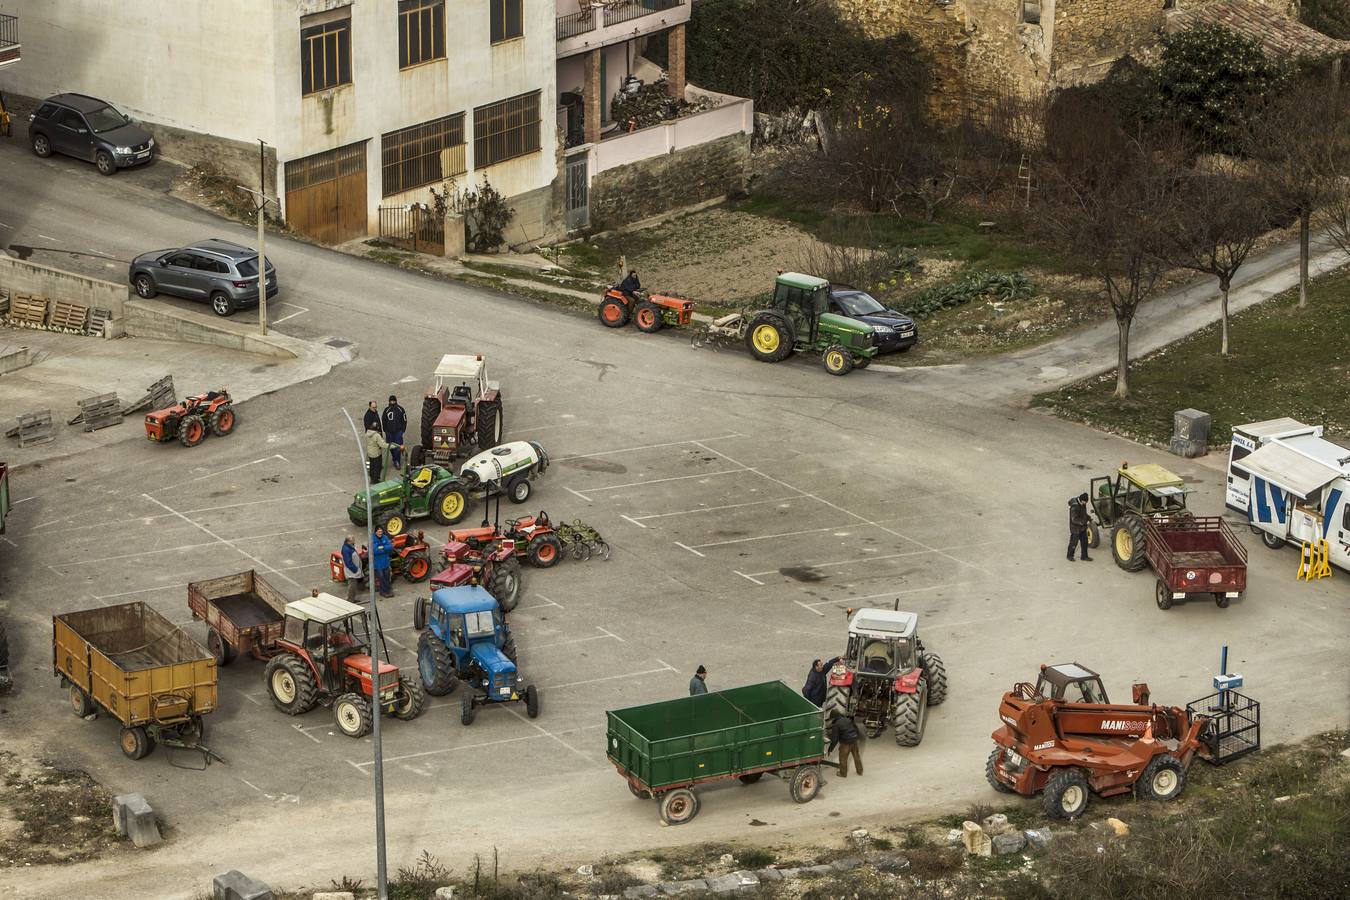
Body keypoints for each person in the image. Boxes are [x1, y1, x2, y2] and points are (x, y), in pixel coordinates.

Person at [827, 713, 863, 778]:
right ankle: (860, 771)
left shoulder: (836, 724)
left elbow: (834, 739)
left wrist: (830, 749)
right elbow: (856, 729)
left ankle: (843, 774)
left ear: (833, 718)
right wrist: (855, 737)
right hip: (854, 741)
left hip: (845, 743)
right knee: (856, 756)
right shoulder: (848, 720)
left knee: (843, 758)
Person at [383, 395, 407, 471]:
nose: (392, 402)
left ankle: (397, 462)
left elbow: (404, 420)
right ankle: (394, 459)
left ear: (396, 401)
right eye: (391, 401)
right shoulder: (386, 410)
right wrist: (385, 430)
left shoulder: (400, 409)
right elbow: (384, 420)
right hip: (389, 432)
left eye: (394, 401)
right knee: (391, 447)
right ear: (389, 401)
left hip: (398, 432)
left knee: (398, 447)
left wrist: (402, 430)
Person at [1067, 491, 1092, 562]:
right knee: (1073, 542)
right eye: (1085, 502)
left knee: (1085, 542)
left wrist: (1088, 518)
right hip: (1075, 529)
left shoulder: (1082, 504)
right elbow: (1074, 519)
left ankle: (1084, 556)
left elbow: (1083, 514)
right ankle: (1070, 555)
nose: (1086, 504)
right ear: (1081, 500)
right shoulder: (1074, 507)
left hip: (1082, 528)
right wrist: (1083, 522)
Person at [372, 527, 394, 599]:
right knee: (381, 578)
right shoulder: (372, 539)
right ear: (375, 532)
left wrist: (382, 548)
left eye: (381, 531)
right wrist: (384, 549)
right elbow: (374, 551)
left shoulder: (385, 537)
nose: (380, 533)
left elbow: (390, 547)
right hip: (378, 564)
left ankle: (387, 590)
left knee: (387, 577)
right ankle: (384, 592)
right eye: (378, 531)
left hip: (385, 562)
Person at [341, 535, 364, 603]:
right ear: (349, 541)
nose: (354, 541)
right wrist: (355, 570)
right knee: (352, 586)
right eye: (353, 540)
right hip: (352, 572)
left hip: (353, 571)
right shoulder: (346, 549)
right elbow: (348, 562)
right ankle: (350, 600)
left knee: (353, 586)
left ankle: (352, 599)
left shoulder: (349, 546)